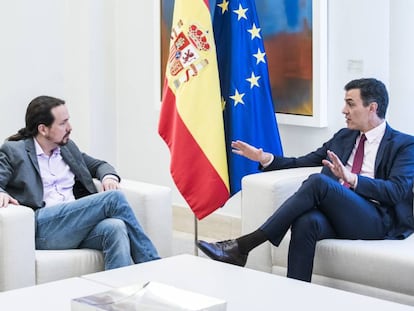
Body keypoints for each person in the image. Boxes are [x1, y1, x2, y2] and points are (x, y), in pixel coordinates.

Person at [198, 78, 414, 282]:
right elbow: (303, 161)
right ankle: (295, 297)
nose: (344, 111)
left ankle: (244, 245)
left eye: (350, 104)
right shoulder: (344, 136)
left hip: (377, 220)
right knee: (306, 222)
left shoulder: (404, 145)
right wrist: (264, 158)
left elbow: (396, 191)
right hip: (343, 214)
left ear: (372, 108)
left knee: (319, 182)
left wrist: (352, 178)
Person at [0, 95, 159, 270]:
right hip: (43, 227)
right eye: (62, 123)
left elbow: (99, 165)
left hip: (73, 223)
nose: (70, 128)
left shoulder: (67, 148)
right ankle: (153, 266)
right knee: (113, 198)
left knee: (116, 227)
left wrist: (108, 177)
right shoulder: (15, 151)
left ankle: (118, 292)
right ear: (43, 129)